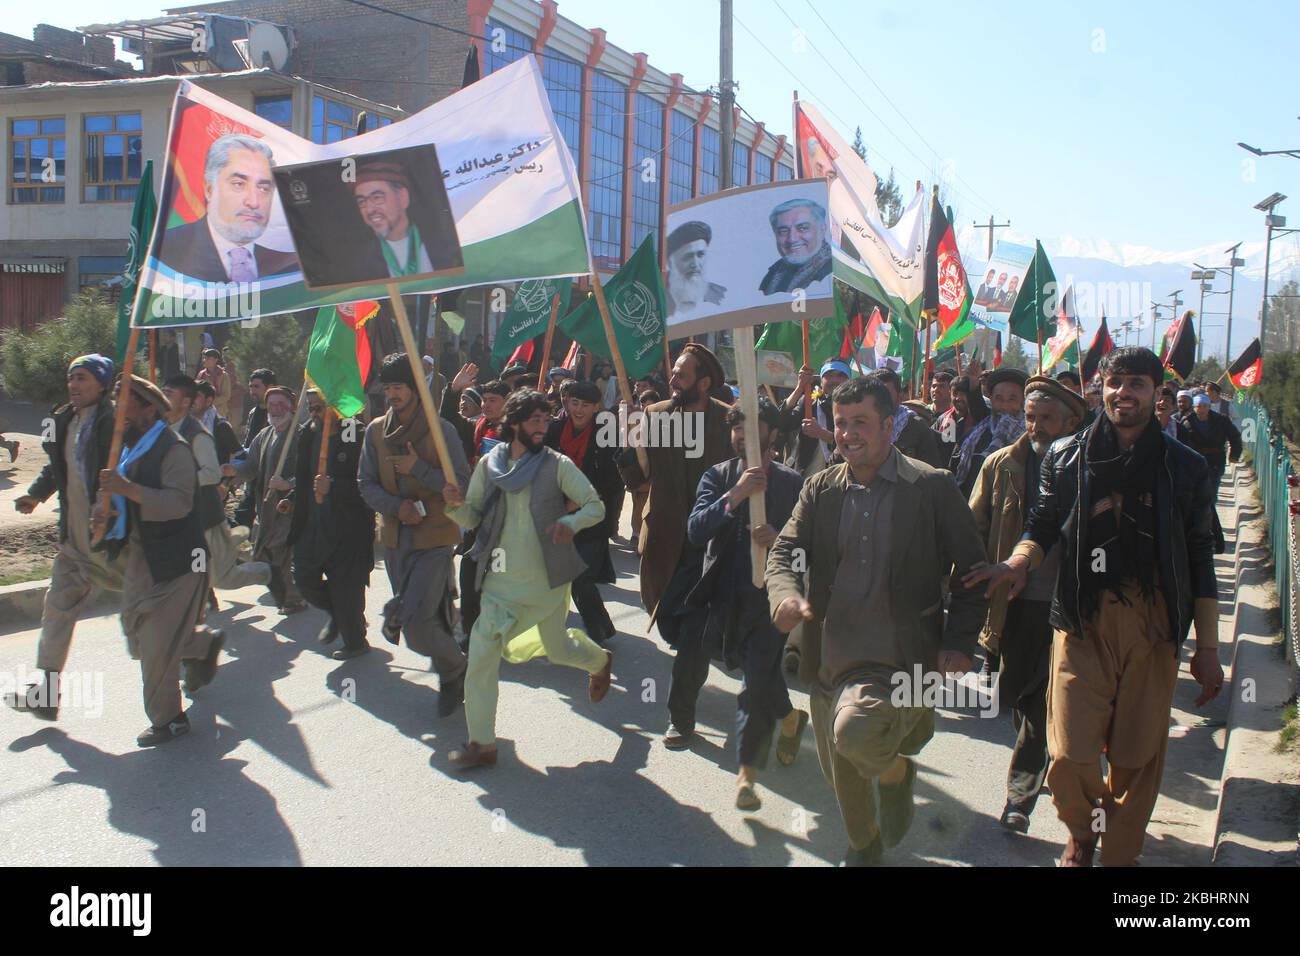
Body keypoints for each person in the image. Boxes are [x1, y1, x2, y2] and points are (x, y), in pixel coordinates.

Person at [967, 346, 1223, 867]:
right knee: (1068, 757)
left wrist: (1209, 648)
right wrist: (1018, 564)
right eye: (1115, 382)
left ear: (1156, 393)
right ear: (1100, 387)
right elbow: (1041, 524)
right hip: (1080, 620)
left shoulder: (1186, 467)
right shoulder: (1066, 456)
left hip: (1154, 627)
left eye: (1137, 384)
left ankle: (1115, 857)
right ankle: (1084, 829)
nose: (1123, 393)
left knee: (1135, 758)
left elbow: (1199, 555)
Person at [766, 375, 988, 865]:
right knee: (837, 768)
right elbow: (783, 551)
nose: (846, 434)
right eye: (841, 424)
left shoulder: (931, 486)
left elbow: (973, 570)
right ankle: (874, 815)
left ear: (889, 425)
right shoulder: (820, 488)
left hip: (903, 660)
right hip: (832, 656)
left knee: (854, 736)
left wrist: (959, 642)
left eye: (860, 423)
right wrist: (783, 595)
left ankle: (863, 848)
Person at [442, 390, 614, 769]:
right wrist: (454, 504)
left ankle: (599, 660)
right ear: (515, 423)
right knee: (481, 658)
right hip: (499, 582)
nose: (543, 427)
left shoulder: (557, 465)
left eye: (545, 419)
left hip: (547, 582)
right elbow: (471, 518)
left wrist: (569, 523)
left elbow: (595, 506)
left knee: (557, 650)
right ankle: (482, 743)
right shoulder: (490, 464)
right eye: (535, 420)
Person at [967, 376, 1083, 833]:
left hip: (1067, 604)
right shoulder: (1001, 465)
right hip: (1014, 603)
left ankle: (1019, 798)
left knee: (1040, 702)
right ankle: (1043, 756)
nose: (1035, 427)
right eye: (1030, 418)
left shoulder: (1087, 466)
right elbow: (974, 526)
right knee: (1015, 692)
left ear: (1071, 422)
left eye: (1046, 419)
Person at [681, 398, 808, 809]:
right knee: (756, 671)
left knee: (752, 686)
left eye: (752, 429)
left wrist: (781, 539)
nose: (742, 436)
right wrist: (735, 496)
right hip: (723, 595)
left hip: (771, 600)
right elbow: (696, 531)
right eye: (737, 428)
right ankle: (790, 719)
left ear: (773, 434)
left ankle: (746, 777)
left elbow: (810, 545)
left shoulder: (793, 483)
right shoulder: (717, 477)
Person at [91, 376, 221, 746]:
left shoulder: (173, 448)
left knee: (155, 645)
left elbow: (178, 503)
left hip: (180, 560)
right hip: (142, 558)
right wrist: (105, 514)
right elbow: (122, 504)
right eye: (115, 402)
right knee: (137, 637)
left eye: (126, 403)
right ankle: (201, 647)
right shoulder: (128, 451)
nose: (119, 411)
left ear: (149, 408)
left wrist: (125, 488)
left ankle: (169, 720)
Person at [4, 355, 123, 721]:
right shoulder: (64, 420)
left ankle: (195, 652)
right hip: (74, 541)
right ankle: (46, 691)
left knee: (146, 618)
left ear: (101, 384)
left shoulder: (115, 425)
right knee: (57, 608)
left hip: (114, 542)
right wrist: (37, 494)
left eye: (82, 378)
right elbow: (56, 466)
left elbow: (132, 469)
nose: (73, 384)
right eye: (71, 377)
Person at [358, 354, 470, 712]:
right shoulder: (375, 431)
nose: (392, 394)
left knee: (417, 622)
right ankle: (448, 669)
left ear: (414, 389)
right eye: (388, 387)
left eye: (399, 387)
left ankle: (456, 668)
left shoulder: (442, 430)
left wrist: (418, 469)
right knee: (428, 616)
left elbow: (461, 486)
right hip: (395, 540)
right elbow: (365, 483)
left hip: (435, 538)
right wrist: (396, 507)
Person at [615, 343, 733, 636]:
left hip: (711, 538)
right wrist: (628, 443)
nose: (672, 381)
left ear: (703, 383)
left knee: (696, 628)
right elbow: (637, 480)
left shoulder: (729, 420)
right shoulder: (654, 415)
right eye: (674, 373)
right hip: (665, 537)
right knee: (666, 620)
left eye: (681, 375)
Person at [164, 375, 270, 597]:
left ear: (186, 401)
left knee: (218, 576)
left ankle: (266, 572)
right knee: (196, 571)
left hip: (204, 517)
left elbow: (213, 472)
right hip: (183, 517)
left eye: (169, 395)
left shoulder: (201, 432)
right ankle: (199, 606)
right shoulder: (165, 430)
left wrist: (227, 480)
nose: (163, 399)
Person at [289, 393, 376, 660]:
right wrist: (292, 499)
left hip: (349, 528)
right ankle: (338, 613)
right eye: (311, 407)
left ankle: (355, 641)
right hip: (312, 524)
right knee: (303, 577)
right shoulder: (307, 434)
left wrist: (335, 486)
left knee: (346, 589)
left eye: (320, 406)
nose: (315, 412)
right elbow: (305, 477)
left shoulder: (356, 434)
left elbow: (370, 484)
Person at [156, 133, 298, 282]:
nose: (254, 202)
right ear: (209, 190)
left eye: (263, 188)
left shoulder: (288, 264)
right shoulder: (165, 249)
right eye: (238, 184)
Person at [544, 379, 623, 645]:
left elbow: (614, 480)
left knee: (580, 576)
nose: (578, 410)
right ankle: (602, 626)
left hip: (592, 517)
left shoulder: (606, 433)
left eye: (585, 405)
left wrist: (582, 498)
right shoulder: (553, 430)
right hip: (557, 514)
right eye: (574, 403)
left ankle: (596, 633)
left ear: (596, 407)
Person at [222, 386, 304, 614]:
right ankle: (290, 593)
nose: (276, 409)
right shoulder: (264, 435)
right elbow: (250, 467)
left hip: (291, 505)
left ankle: (292, 598)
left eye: (281, 404)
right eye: (272, 405)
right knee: (262, 554)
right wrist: (233, 471)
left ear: (291, 407)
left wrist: (289, 484)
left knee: (278, 550)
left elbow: (311, 470)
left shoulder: (302, 435)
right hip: (266, 506)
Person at [348, 160, 460, 281]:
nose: (369, 209)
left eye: (377, 198)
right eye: (362, 202)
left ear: (402, 197)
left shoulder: (445, 243)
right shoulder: (363, 264)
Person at [1181, 392, 1242, 553]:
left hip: (1214, 462)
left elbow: (1235, 436)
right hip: (1194, 465)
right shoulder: (1187, 422)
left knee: (1210, 497)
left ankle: (1210, 532)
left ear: (1209, 407)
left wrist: (1234, 454)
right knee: (1198, 498)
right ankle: (1203, 530)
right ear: (1194, 407)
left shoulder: (1221, 420)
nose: (1201, 410)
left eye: (1204, 406)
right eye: (1198, 406)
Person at [952, 366, 1026, 497]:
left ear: (1023, 401)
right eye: (999, 398)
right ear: (991, 399)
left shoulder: (1029, 438)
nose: (1004, 405)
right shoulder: (974, 434)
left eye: (1012, 399)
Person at [781, 359, 849, 480]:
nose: (834, 380)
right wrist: (799, 387)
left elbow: (852, 444)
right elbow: (782, 422)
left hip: (841, 478)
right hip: (806, 478)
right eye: (829, 375)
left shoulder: (856, 409)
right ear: (821, 381)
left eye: (841, 375)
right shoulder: (809, 403)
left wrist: (822, 434)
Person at [869, 367, 947, 468]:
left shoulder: (916, 426)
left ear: (900, 396)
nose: (879, 399)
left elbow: (930, 472)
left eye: (885, 394)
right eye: (875, 394)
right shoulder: (861, 425)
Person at [759, 199, 832, 295]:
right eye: (783, 231)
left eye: (803, 228)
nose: (792, 239)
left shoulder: (833, 273)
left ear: (822, 230)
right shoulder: (771, 276)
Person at [665, 220, 727, 321]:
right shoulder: (656, 299)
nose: (695, 264)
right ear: (670, 262)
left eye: (700, 255)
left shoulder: (719, 296)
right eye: (688, 257)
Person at [192, 380, 241, 465]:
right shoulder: (185, 423)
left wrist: (226, 473)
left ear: (209, 401)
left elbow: (240, 456)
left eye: (196, 396)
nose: (191, 400)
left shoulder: (221, 427)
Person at [195, 348, 232, 420]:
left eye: (208, 358)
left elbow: (226, 396)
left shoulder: (223, 375)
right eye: (204, 358)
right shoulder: (201, 374)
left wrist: (209, 403)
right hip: (203, 412)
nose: (204, 360)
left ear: (215, 360)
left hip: (219, 411)